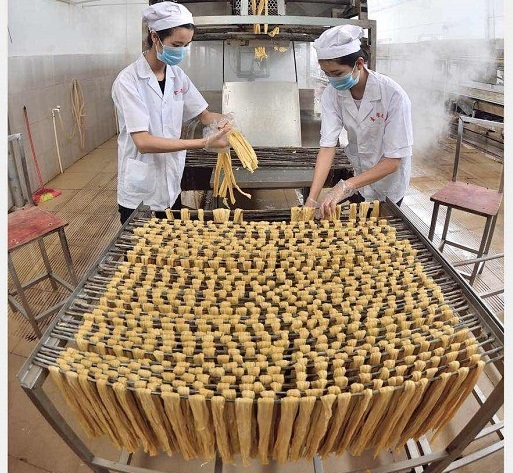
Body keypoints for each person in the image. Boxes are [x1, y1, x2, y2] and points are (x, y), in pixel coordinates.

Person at [112, 2, 231, 224]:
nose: (181, 51)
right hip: (141, 191)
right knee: (142, 245)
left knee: (170, 240)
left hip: (171, 184)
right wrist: (203, 143)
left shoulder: (178, 76)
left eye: (186, 45)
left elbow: (205, 115)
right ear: (155, 37)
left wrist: (228, 122)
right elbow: (143, 142)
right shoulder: (128, 81)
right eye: (176, 44)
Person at [306, 25, 413, 218]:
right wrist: (312, 199)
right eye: (326, 73)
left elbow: (393, 161)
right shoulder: (332, 94)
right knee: (360, 224)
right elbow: (327, 146)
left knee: (382, 228)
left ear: (359, 64)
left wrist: (345, 186)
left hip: (389, 183)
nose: (332, 80)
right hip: (360, 178)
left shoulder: (393, 96)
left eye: (337, 73)